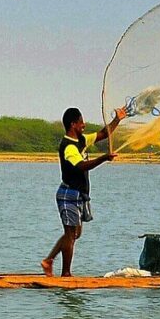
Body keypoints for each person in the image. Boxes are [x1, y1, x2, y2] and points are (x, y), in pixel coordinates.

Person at [41, 105, 127, 276]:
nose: (84, 125)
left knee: (75, 233)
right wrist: (103, 158)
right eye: (81, 122)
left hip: (79, 194)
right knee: (71, 234)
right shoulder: (68, 147)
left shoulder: (81, 140)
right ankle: (66, 273)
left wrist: (117, 119)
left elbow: (103, 133)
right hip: (68, 194)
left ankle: (48, 260)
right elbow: (81, 166)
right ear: (73, 124)